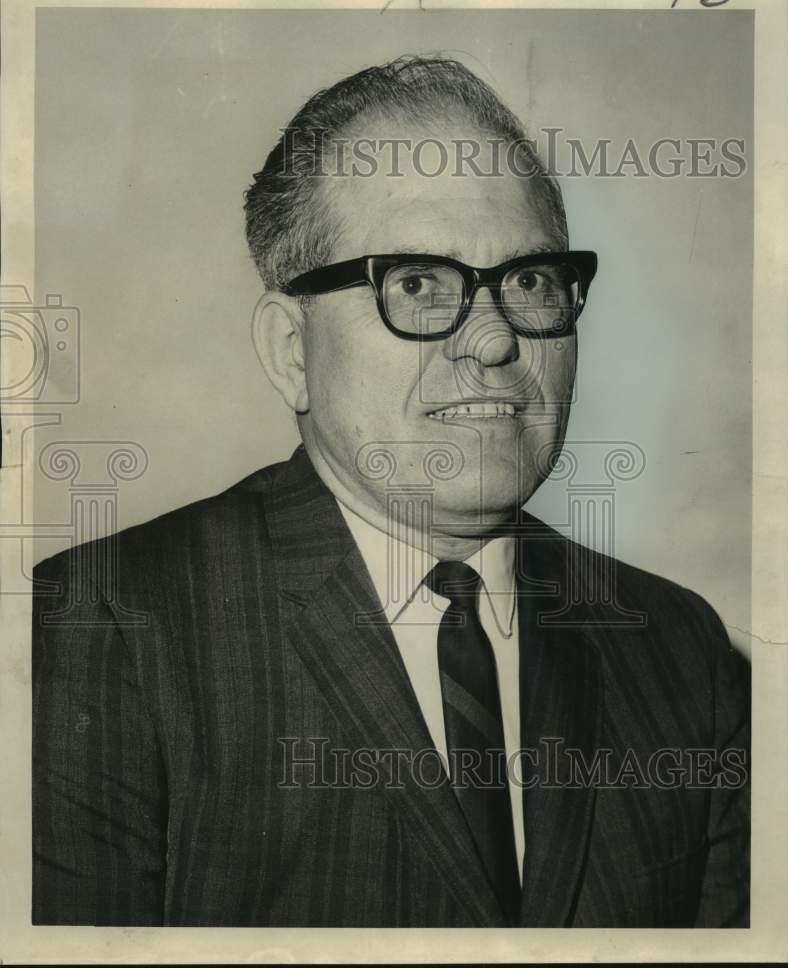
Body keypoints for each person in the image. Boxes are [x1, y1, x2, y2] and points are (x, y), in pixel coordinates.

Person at [32, 55, 749, 927]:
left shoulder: (684, 653)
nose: (490, 343)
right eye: (417, 284)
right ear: (291, 350)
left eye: (527, 281)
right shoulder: (97, 629)